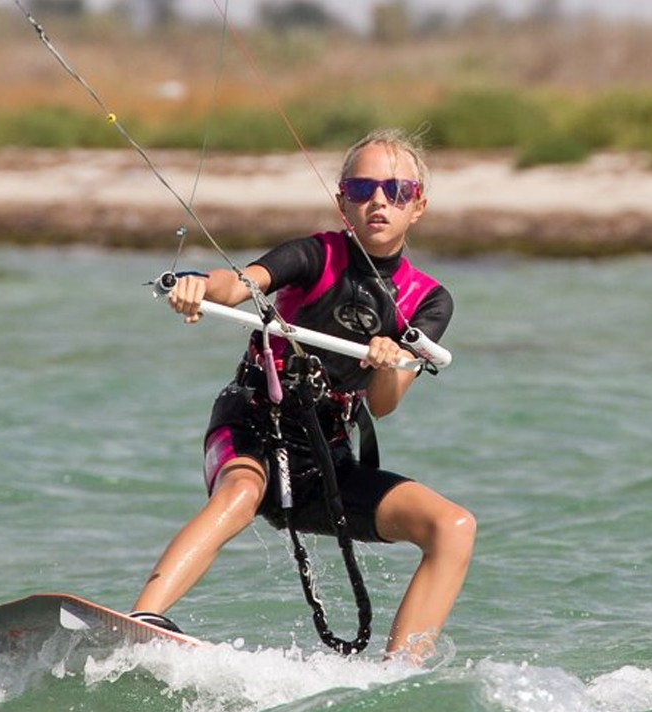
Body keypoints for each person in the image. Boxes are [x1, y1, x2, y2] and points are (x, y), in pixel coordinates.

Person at [128, 128, 475, 661]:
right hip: (251, 423)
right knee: (240, 494)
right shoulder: (314, 255)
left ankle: (399, 674)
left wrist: (386, 362)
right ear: (343, 202)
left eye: (396, 190)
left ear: (418, 205)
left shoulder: (428, 300)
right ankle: (142, 618)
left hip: (325, 458)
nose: (378, 200)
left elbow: (383, 403)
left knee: (452, 527)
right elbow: (238, 284)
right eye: (361, 189)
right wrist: (198, 283)